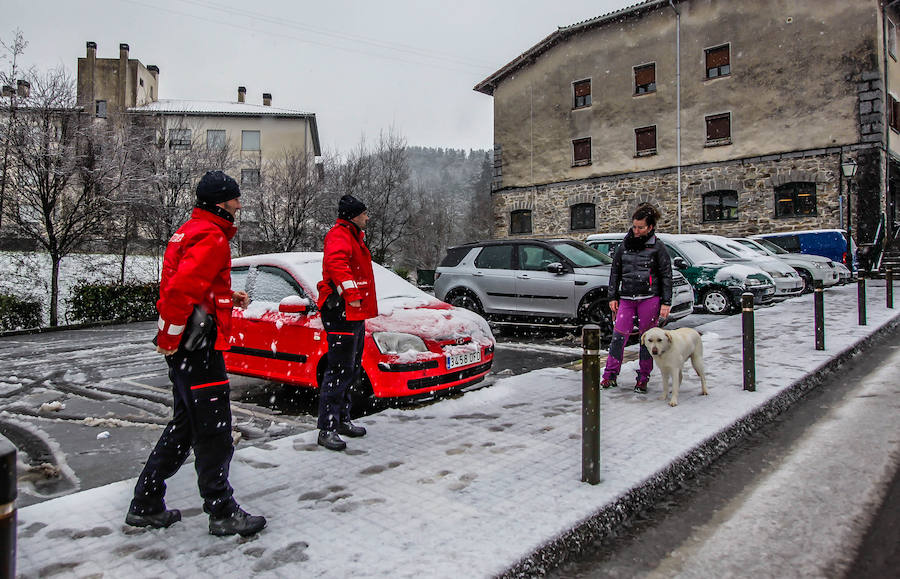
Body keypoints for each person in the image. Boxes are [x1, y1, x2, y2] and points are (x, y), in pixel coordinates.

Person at [125, 170, 266, 537]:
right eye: (235, 198)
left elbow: (190, 284)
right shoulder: (212, 236)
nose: (239, 203)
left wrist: (226, 298)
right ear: (221, 202)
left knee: (185, 425)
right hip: (197, 344)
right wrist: (170, 337)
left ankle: (146, 502)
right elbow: (178, 293)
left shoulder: (192, 229)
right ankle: (221, 511)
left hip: (189, 343)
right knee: (214, 431)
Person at [315, 194, 377, 451]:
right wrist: (351, 295)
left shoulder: (351, 235)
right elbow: (336, 264)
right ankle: (327, 428)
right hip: (341, 311)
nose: (367, 217)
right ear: (353, 216)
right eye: (364, 213)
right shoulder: (339, 235)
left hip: (353, 312)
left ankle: (342, 420)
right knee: (339, 370)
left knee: (350, 368)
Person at [602, 203, 673, 393]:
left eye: (641, 227)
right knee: (618, 337)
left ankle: (643, 377)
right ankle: (609, 375)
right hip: (626, 298)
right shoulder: (624, 246)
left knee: (647, 340)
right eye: (634, 226)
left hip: (649, 297)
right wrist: (612, 296)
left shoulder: (658, 248)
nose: (637, 230)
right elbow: (615, 272)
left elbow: (666, 275)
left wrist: (666, 302)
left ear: (650, 227)